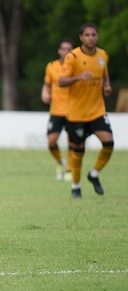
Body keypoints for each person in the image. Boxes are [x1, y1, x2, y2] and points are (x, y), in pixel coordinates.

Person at [58, 22, 114, 199]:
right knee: (78, 151)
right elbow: (61, 81)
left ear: (97, 37)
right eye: (87, 35)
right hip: (77, 114)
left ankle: (94, 174)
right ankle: (76, 186)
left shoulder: (103, 55)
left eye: (94, 35)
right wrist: (78, 77)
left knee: (109, 143)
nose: (91, 38)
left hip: (97, 110)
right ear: (81, 37)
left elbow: (104, 75)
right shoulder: (73, 57)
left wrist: (106, 86)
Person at [41, 38, 74, 181]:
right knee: (51, 141)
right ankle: (61, 162)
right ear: (59, 51)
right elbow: (47, 84)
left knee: (72, 142)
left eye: (69, 49)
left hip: (73, 110)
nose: (66, 52)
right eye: (64, 49)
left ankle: (70, 170)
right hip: (56, 110)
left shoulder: (76, 67)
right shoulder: (51, 67)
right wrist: (44, 92)